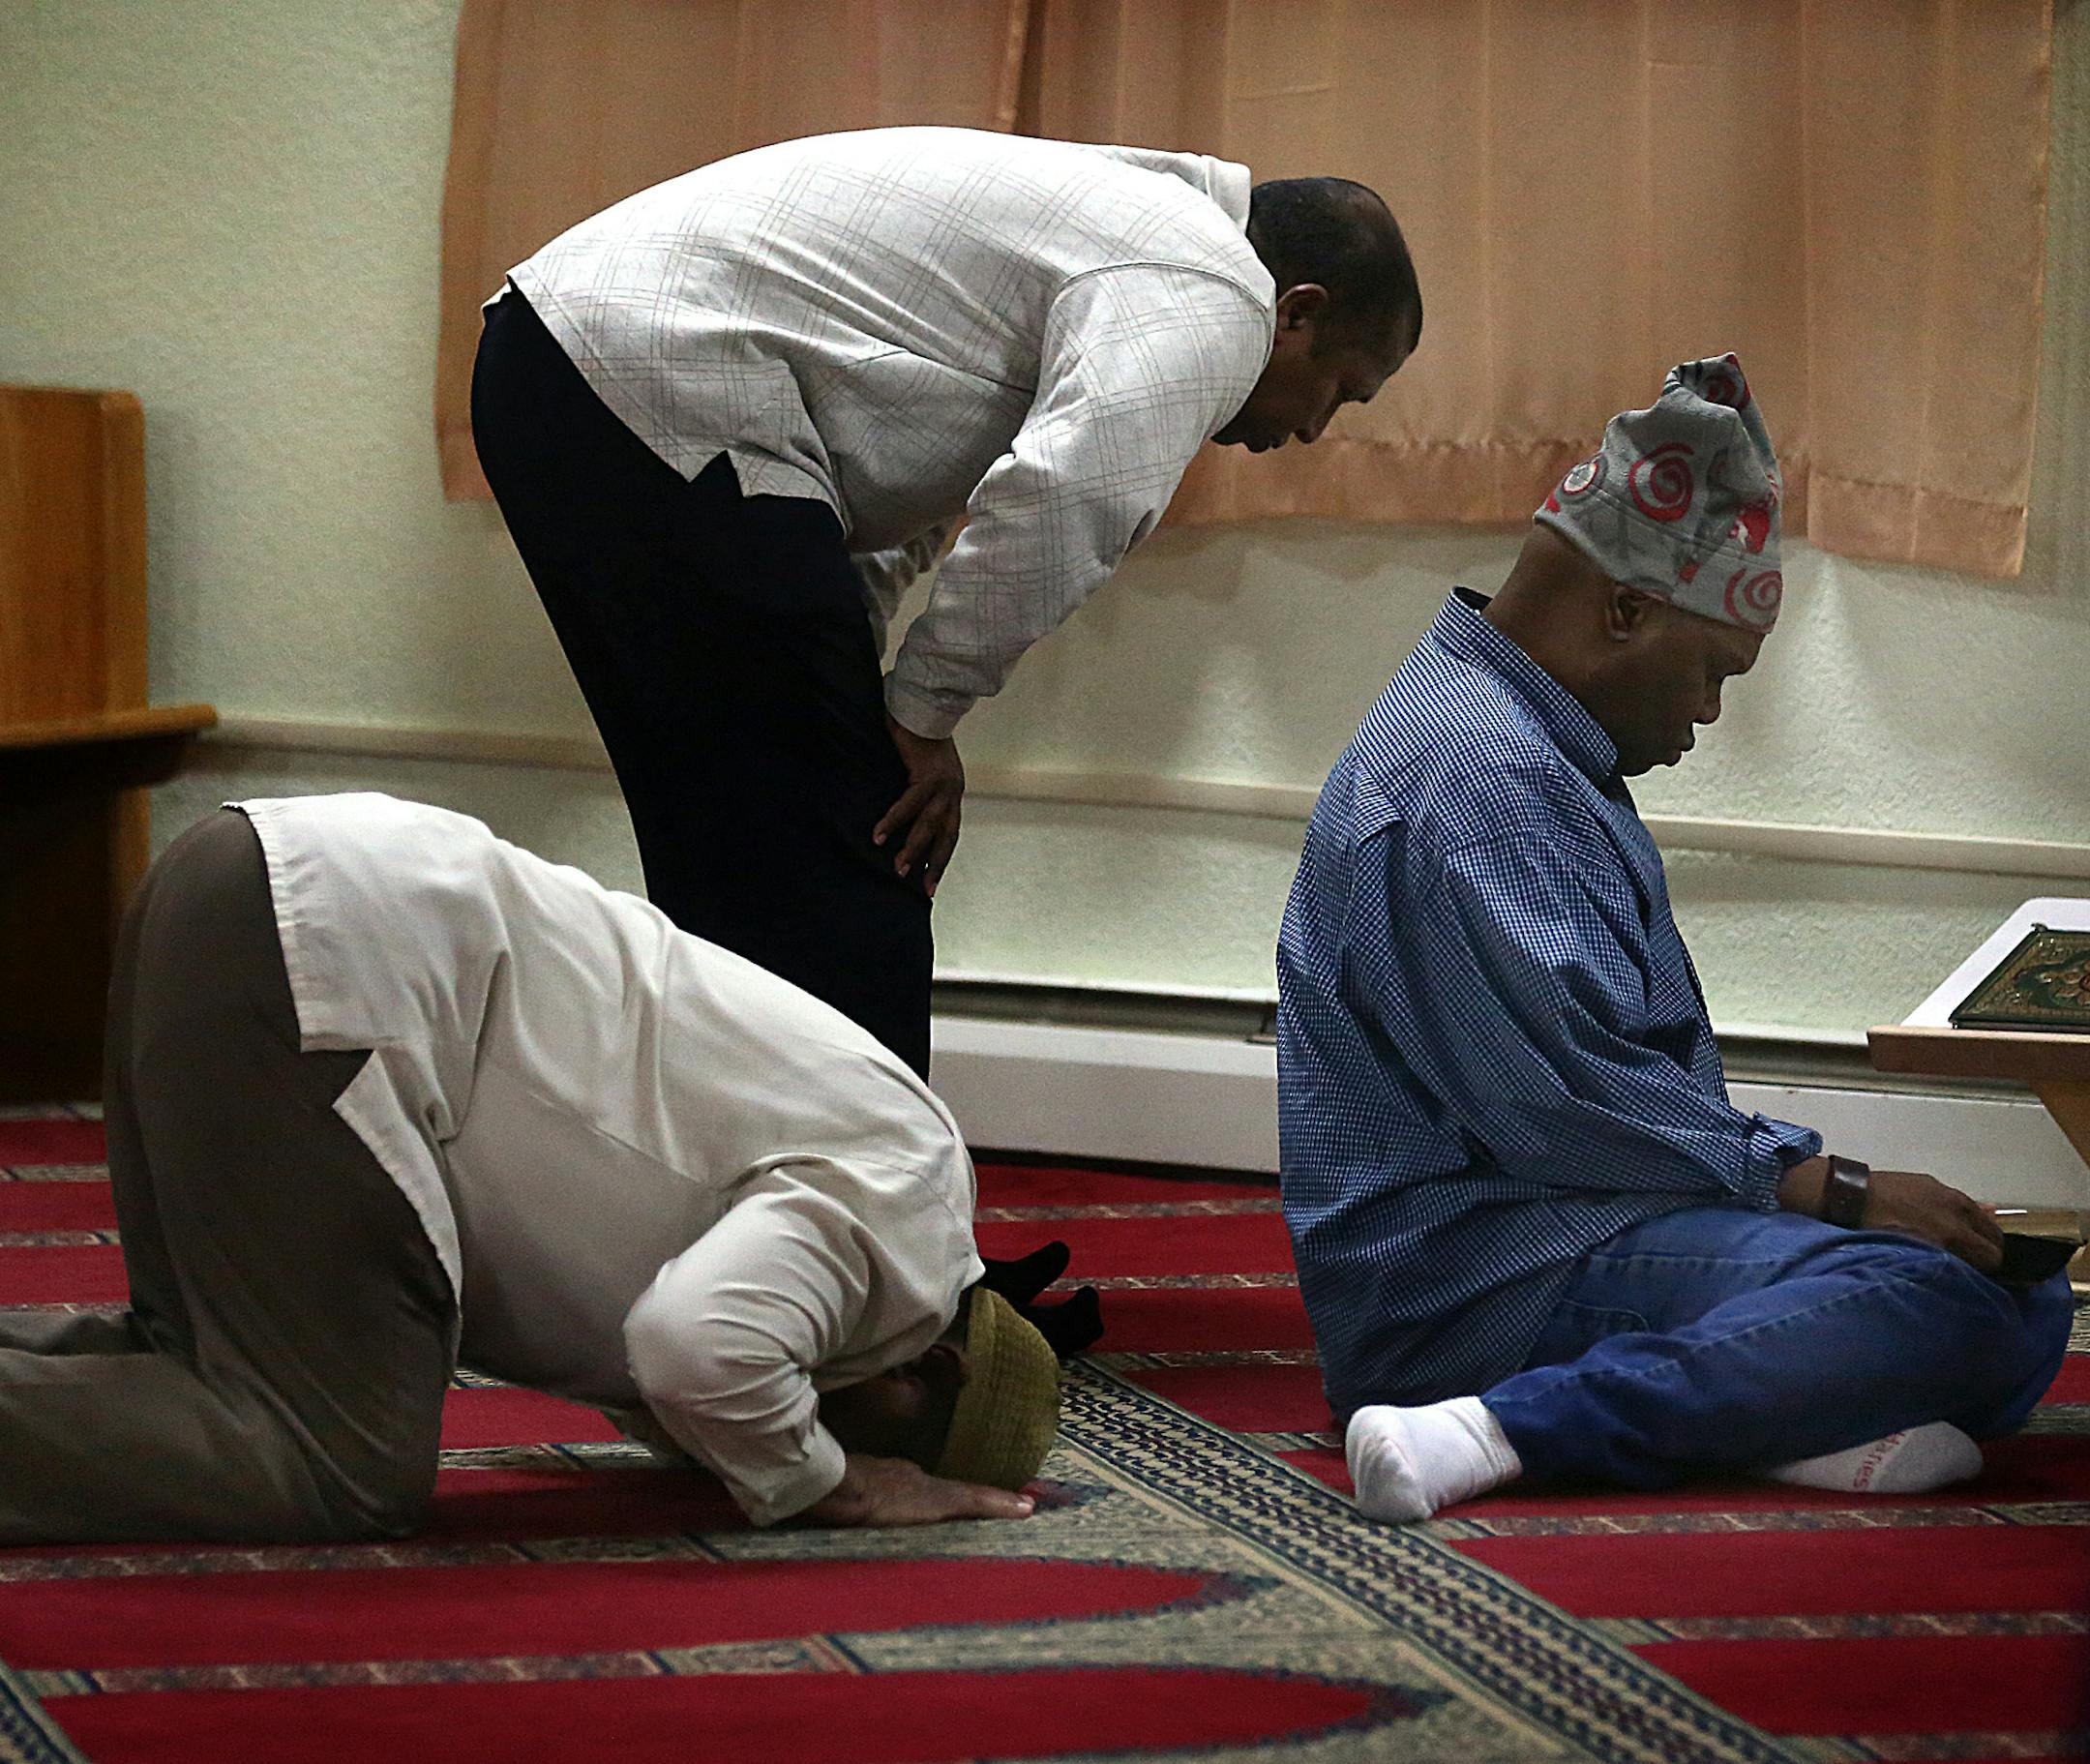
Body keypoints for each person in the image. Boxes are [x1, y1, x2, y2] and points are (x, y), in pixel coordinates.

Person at [1275, 357, 2075, 1522]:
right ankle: (1495, 1431)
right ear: (1627, 609)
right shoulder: (1465, 774)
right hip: (1480, 1279)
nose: (1705, 712)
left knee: (2016, 1295)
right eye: (1711, 671)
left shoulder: (1527, 742)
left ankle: (1756, 1419)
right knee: (1939, 1302)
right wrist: (1828, 1186)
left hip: (1590, 1223)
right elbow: (1563, 1107)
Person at [471, 124, 1422, 1080]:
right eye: (1339, 392)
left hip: (579, 365)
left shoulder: (1134, 231)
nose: (1311, 429)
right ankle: (870, 1213)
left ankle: (773, 1194)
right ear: (1296, 311)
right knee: (852, 845)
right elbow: (1073, 495)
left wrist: (883, 690)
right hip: (652, 377)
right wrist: (923, 709)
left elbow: (889, 504)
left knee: (744, 847)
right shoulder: (1213, 284)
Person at [0, 795, 1060, 1545]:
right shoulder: (912, 1227)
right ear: (927, 1368)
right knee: (333, 1463)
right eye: (866, 1425)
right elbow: (697, 1345)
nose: (810, 1407)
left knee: (204, 1360)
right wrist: (835, 1485)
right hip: (336, 963)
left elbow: (660, 1350)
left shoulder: (881, 1155)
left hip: (252, 888)